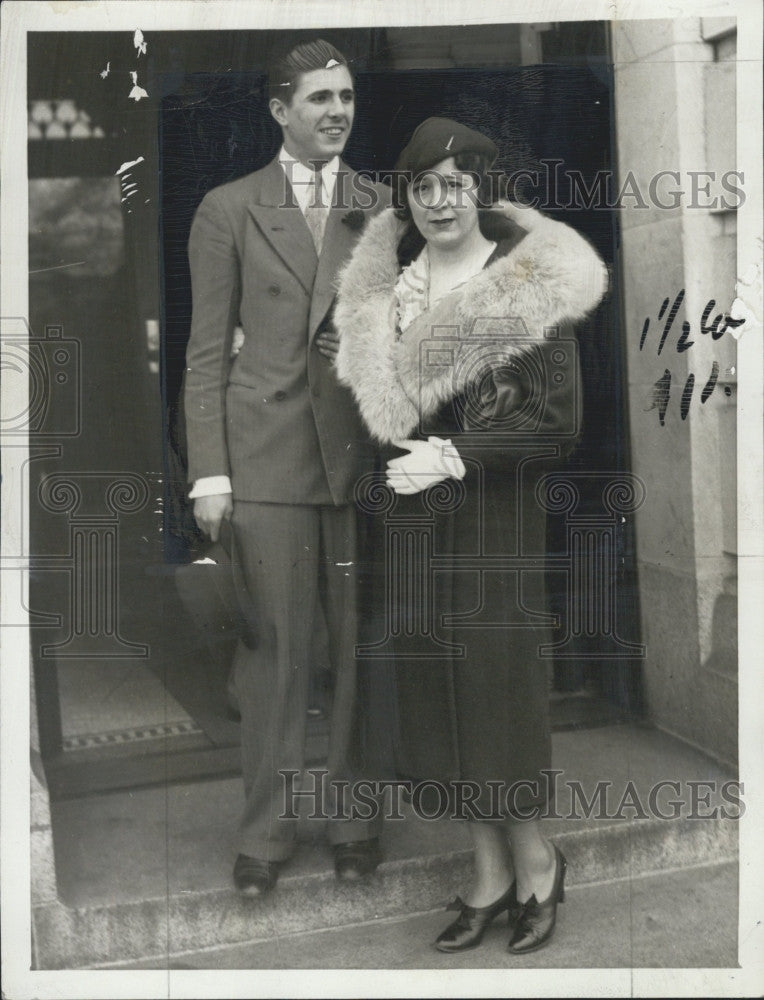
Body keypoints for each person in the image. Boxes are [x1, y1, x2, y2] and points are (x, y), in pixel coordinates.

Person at [333, 117, 608, 953]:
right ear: (406, 197)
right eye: (423, 186)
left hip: (493, 522)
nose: (441, 201)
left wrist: (454, 454)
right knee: (434, 704)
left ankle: (537, 865)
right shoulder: (388, 291)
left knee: (495, 695)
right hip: (412, 528)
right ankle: (486, 876)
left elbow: (558, 426)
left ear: (482, 191)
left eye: (458, 184)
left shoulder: (523, 281)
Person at [183, 39, 390, 897]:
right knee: (273, 658)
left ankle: (354, 821)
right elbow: (203, 354)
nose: (337, 110)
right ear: (280, 110)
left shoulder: (382, 206)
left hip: (356, 462)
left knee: (357, 651)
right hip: (264, 462)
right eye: (318, 99)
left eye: (345, 96)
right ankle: (265, 834)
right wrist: (210, 475)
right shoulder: (229, 209)